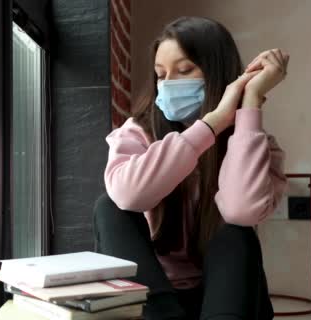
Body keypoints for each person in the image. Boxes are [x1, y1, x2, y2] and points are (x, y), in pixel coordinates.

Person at [94, 16, 288, 320]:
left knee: (234, 231)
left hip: (225, 300)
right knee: (110, 207)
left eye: (184, 70)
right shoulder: (136, 132)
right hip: (156, 301)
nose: (169, 83)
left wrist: (248, 104)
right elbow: (128, 197)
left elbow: (242, 211)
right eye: (160, 75)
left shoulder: (251, 140)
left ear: (217, 73)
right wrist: (210, 125)